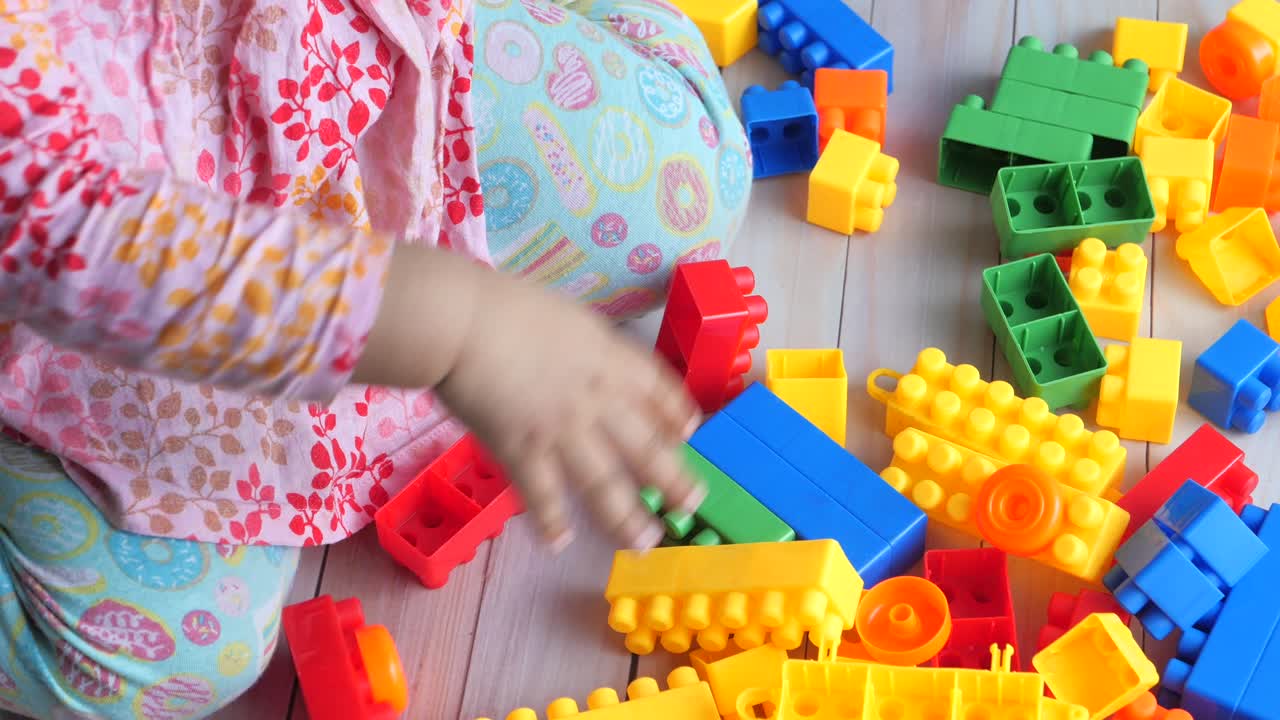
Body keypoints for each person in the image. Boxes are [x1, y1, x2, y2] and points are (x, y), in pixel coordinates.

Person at [0, 0, 750, 717]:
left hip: (323, 69)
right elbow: (77, 232)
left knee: (687, 194)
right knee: (161, 657)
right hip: (92, 317)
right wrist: (464, 329)